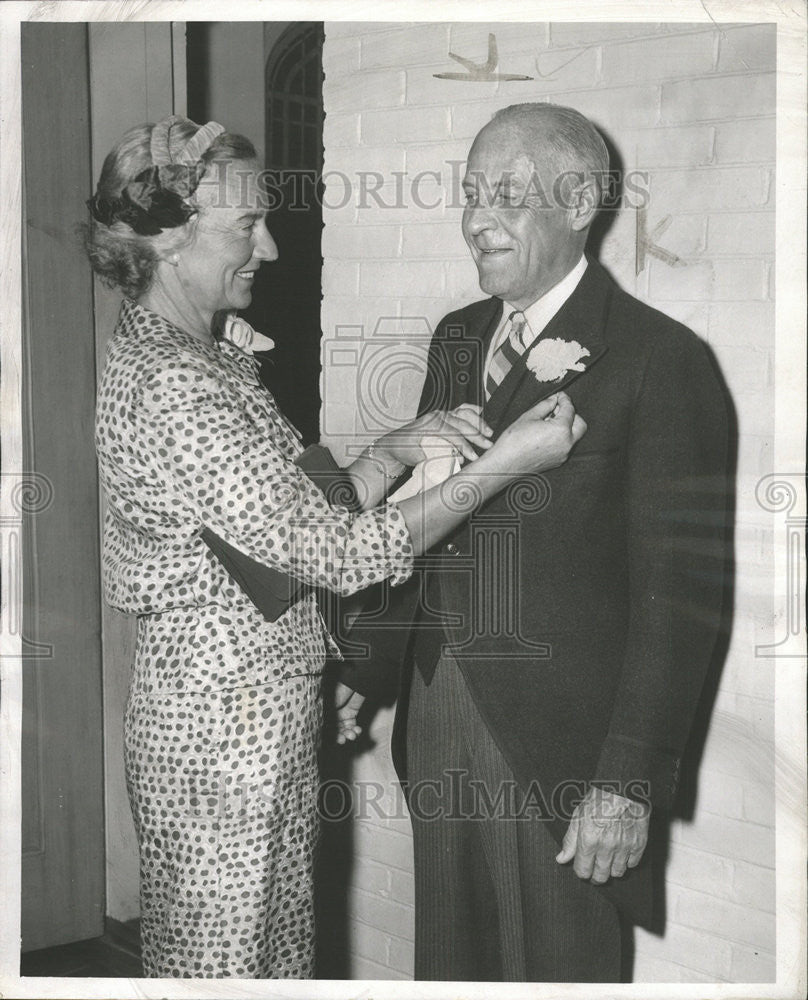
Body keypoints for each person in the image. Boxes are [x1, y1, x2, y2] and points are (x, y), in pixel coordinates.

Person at [86, 114, 585, 979]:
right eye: (247, 225)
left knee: (272, 959)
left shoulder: (205, 358)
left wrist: (396, 447)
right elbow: (342, 556)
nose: (271, 248)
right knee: (224, 968)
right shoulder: (172, 383)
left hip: (259, 719)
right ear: (168, 240)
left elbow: (286, 523)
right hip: (217, 737)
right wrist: (504, 464)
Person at [337, 102, 729, 982]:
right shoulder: (457, 338)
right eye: (470, 194)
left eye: (506, 195)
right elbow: (430, 521)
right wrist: (366, 671)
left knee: (556, 967)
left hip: (562, 747)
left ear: (580, 197)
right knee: (450, 961)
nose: (477, 219)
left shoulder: (659, 359)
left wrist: (626, 778)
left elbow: (682, 596)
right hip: (436, 709)